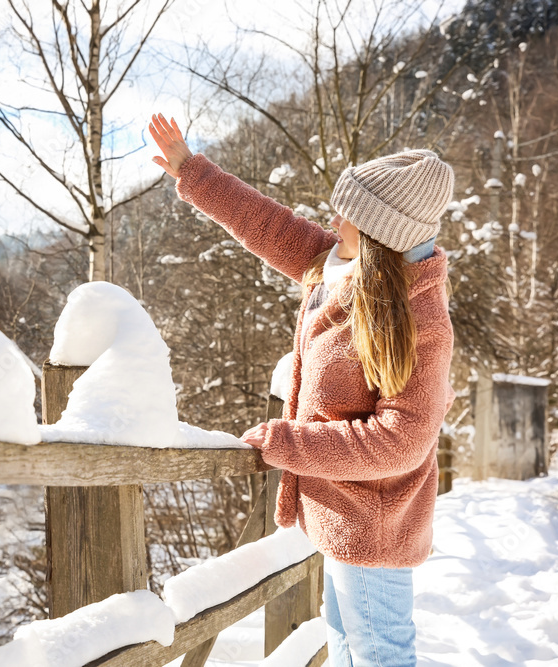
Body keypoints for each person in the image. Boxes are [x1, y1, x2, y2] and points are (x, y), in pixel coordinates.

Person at [148, 112, 456, 667]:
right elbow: (269, 226)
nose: (335, 218)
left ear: (384, 232)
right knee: (343, 643)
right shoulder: (342, 267)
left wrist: (290, 443)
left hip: (372, 526)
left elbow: (402, 440)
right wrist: (192, 172)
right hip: (341, 516)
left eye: (351, 213)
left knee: (380, 654)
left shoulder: (417, 316)